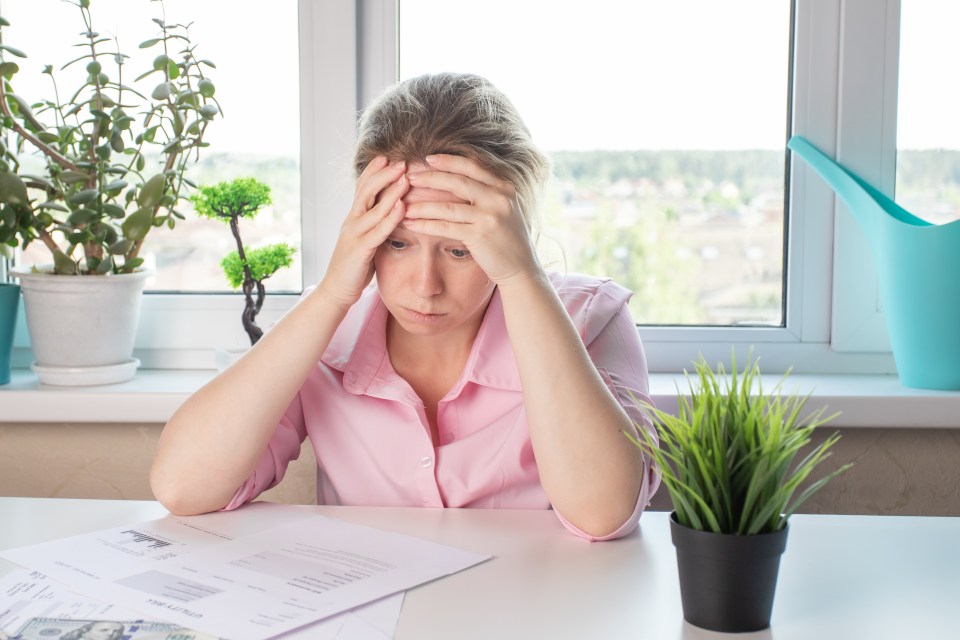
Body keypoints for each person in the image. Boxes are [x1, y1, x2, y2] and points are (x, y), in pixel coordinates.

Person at [151, 72, 659, 541]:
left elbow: (603, 513)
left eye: (460, 250)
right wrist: (331, 295)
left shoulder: (592, 316)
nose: (425, 286)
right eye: (397, 243)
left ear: (511, 231)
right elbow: (182, 487)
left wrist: (521, 277)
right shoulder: (328, 332)